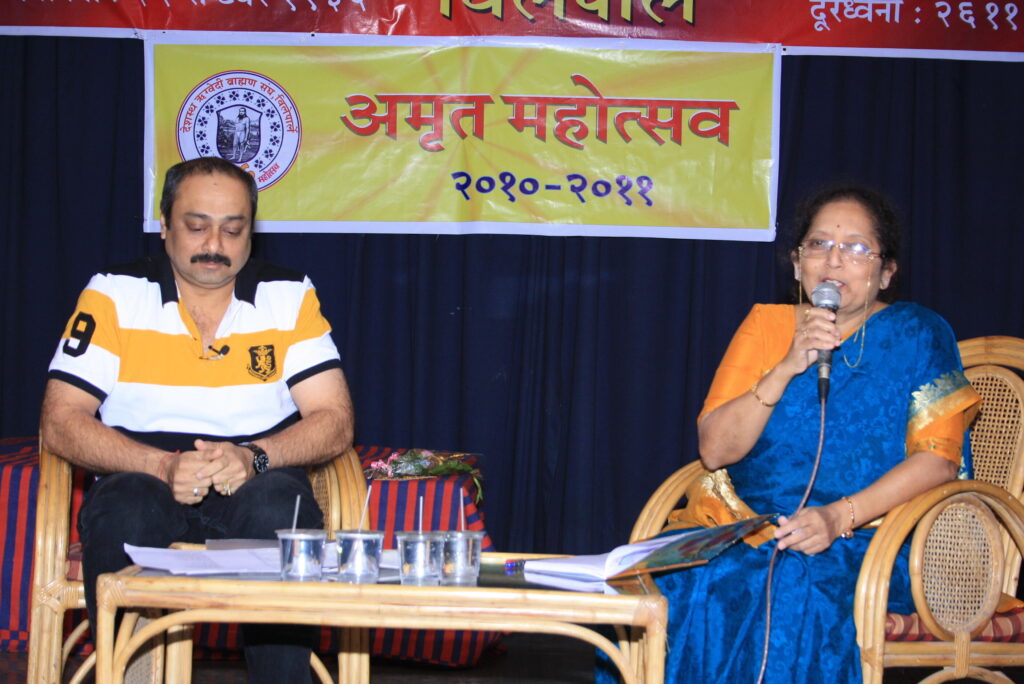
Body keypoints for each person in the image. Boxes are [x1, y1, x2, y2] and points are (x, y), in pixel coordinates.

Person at [601, 185, 980, 683]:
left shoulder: (919, 334)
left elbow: (938, 461)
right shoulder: (768, 326)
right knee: (670, 577)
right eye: (819, 244)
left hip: (875, 541)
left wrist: (837, 517)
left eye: (856, 248)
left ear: (886, 273)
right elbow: (715, 451)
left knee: (784, 584)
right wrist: (785, 366)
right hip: (745, 528)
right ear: (798, 266)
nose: (834, 260)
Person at [40, 156, 354, 683]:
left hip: (254, 480)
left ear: (251, 233)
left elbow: (335, 419)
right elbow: (60, 420)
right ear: (164, 226)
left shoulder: (289, 295)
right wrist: (162, 466)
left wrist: (254, 457)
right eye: (197, 226)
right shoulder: (115, 292)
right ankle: (127, 676)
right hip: (141, 475)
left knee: (282, 504)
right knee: (126, 504)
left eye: (233, 229)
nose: (215, 244)